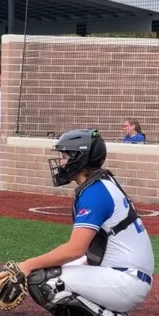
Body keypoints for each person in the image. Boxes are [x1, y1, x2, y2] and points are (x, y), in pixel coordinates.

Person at [13, 129, 153, 316]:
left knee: (44, 281)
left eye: (65, 156)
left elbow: (75, 249)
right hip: (124, 274)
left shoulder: (95, 192)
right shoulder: (101, 183)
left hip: (125, 280)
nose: (61, 162)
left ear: (80, 158)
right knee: (49, 271)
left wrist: (27, 265)